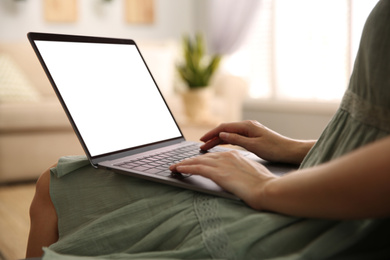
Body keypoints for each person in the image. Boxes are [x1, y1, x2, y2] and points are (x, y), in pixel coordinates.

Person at [27, 1, 390, 259]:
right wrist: (293, 148)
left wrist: (265, 185)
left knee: (63, 182)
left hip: (334, 214)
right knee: (56, 178)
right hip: (322, 169)